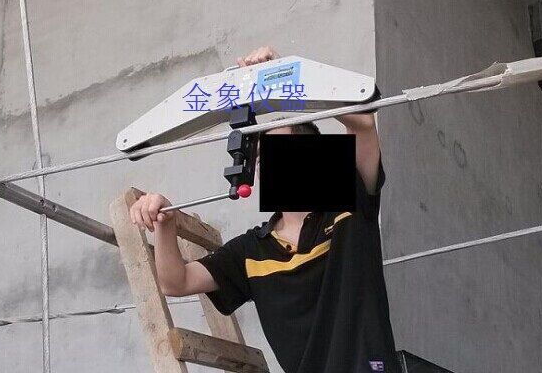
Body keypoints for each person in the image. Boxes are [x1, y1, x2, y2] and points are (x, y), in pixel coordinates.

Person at [129, 46, 398, 372]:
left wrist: (282, 79)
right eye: (260, 157)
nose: (265, 162)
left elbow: (363, 122)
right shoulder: (253, 250)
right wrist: (164, 223)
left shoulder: (349, 203)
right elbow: (177, 282)